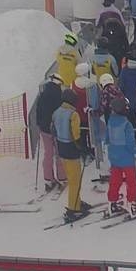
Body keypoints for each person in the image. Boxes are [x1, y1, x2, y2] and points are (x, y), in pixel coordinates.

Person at [104, 97, 136, 217]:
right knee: (132, 182)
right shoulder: (127, 125)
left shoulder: (110, 121)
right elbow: (131, 146)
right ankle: (133, 206)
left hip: (114, 157)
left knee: (115, 181)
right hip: (126, 159)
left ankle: (112, 203)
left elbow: (106, 139)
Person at [53, 91, 90, 222]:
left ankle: (77, 202)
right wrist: (83, 149)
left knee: (71, 178)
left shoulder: (56, 112)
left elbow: (53, 129)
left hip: (61, 148)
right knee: (75, 181)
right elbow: (76, 134)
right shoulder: (73, 115)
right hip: (72, 149)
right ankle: (73, 209)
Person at [33, 74, 66, 192]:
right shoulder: (58, 94)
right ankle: (62, 177)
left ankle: (48, 178)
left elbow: (38, 110)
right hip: (56, 129)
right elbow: (60, 112)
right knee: (59, 153)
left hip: (44, 129)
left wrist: (40, 124)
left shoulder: (42, 94)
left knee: (48, 153)